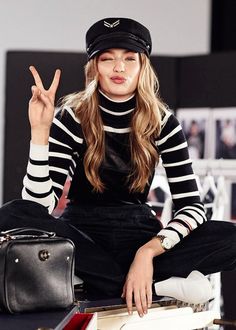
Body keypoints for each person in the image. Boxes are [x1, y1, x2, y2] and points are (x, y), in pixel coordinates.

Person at [1, 17, 236, 318]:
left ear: (143, 65)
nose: (119, 68)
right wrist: (40, 133)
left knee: (230, 237)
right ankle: (158, 284)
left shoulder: (163, 123)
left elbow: (192, 206)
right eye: (107, 59)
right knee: (11, 213)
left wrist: (147, 253)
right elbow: (37, 207)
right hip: (82, 237)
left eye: (129, 58)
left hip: (139, 234)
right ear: (94, 67)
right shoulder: (72, 117)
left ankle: (107, 278)